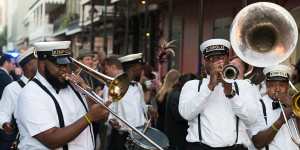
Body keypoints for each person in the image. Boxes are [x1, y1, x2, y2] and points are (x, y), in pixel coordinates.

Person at [15, 41, 110, 150]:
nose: (65, 69)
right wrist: (89, 117)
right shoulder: (30, 94)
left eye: (66, 65)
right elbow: (51, 140)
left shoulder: (71, 86)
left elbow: (102, 116)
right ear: (41, 63)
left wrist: (86, 89)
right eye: (59, 65)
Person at [179, 39, 259, 150]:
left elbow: (251, 119)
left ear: (228, 60)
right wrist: (209, 87)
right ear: (205, 62)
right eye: (212, 59)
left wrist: (231, 94)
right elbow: (186, 114)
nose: (217, 62)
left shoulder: (243, 86)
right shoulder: (192, 86)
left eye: (221, 57)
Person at [102, 54, 149, 150]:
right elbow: (108, 110)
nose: (141, 71)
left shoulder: (138, 86)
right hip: (122, 136)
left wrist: (148, 108)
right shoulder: (114, 85)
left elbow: (140, 108)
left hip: (139, 134)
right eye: (139, 68)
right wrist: (111, 120)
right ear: (132, 68)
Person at [250, 64, 300, 150]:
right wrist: (280, 121)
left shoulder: (295, 103)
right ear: (266, 85)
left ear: (288, 86)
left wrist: (296, 113)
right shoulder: (257, 105)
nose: (277, 89)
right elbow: (257, 143)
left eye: (281, 85)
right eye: (272, 85)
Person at [0, 48, 37, 149]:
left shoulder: (48, 85)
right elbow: (3, 112)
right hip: (26, 143)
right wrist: (5, 124)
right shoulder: (12, 88)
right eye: (37, 62)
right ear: (28, 65)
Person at [164, 73, 197, 150]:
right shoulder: (176, 95)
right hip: (177, 138)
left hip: (178, 137)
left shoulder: (177, 93)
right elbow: (180, 116)